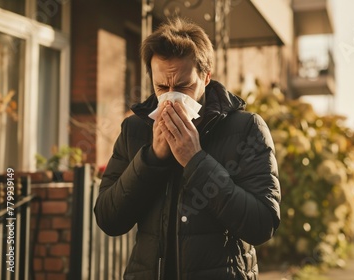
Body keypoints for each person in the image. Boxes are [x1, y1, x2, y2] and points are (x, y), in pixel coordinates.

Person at [94, 17, 281, 280]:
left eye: (183, 87)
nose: (171, 97)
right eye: (162, 87)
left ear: (206, 77)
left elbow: (262, 225)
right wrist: (150, 160)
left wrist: (196, 161)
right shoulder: (135, 130)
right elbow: (108, 219)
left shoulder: (246, 129)